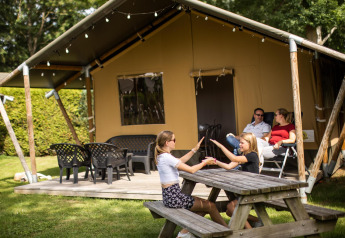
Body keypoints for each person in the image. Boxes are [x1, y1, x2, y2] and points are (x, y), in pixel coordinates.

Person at [155, 131, 227, 238]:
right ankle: (229, 233)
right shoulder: (166, 157)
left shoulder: (162, 156)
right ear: (167, 142)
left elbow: (179, 161)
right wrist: (205, 163)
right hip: (175, 198)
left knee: (204, 206)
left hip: (169, 197)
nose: (175, 142)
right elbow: (192, 170)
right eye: (174, 140)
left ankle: (184, 233)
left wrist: (194, 150)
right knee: (210, 206)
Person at [210, 133, 262, 229]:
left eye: (242, 143)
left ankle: (249, 230)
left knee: (231, 207)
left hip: (253, 190)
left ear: (250, 144)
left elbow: (234, 158)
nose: (239, 145)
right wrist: (215, 161)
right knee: (229, 212)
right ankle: (258, 221)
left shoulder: (252, 155)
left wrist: (221, 146)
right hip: (246, 189)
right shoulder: (244, 155)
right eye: (239, 142)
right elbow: (229, 166)